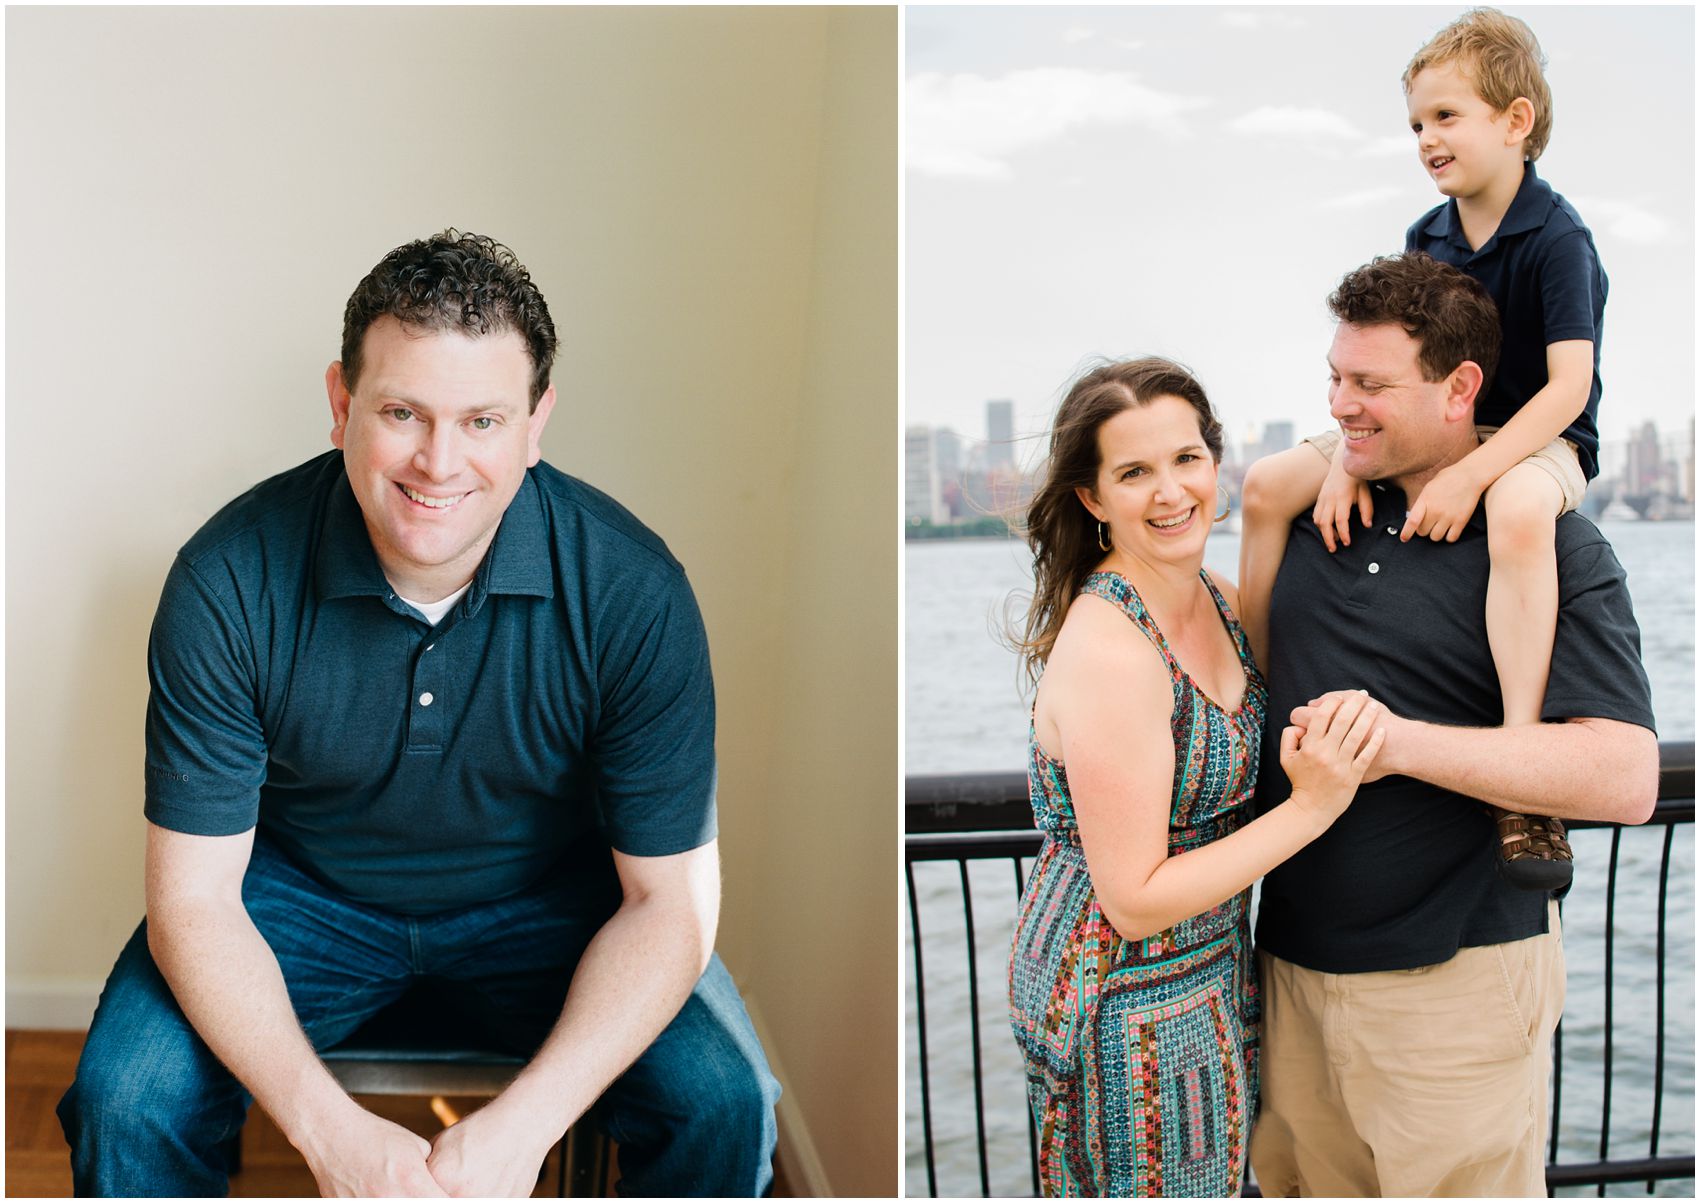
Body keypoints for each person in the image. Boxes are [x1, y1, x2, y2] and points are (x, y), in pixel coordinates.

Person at [57, 231, 780, 1198]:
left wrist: (522, 1130)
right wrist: (330, 1136)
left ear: (537, 421)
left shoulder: (633, 592)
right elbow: (192, 899)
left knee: (726, 1099)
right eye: (403, 412)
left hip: (550, 906)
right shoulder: (226, 580)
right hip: (297, 900)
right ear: (341, 404)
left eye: (483, 420)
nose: (439, 462)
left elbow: (670, 903)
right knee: (127, 1095)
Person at [1250, 252, 1657, 1198]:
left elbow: (1625, 776)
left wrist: (1393, 744)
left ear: (1460, 387)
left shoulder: (1548, 543)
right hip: (1288, 973)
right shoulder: (1311, 520)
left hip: (1459, 986)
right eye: (1335, 379)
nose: (1341, 405)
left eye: (1371, 385)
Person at [1238, 8, 1606, 891]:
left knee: (1518, 513)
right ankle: (1250, 709)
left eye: (1447, 117)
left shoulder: (1558, 239)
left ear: (1516, 121)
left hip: (1531, 439)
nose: (1426, 139)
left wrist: (1477, 471)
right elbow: (1388, 374)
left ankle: (1522, 779)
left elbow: (1568, 388)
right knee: (1260, 486)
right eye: (1416, 123)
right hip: (1435, 424)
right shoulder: (1427, 237)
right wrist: (1341, 462)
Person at [1005, 357, 1385, 1197]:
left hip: (1211, 967)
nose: (1171, 491)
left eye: (1187, 459)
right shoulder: (1113, 649)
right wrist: (1314, 809)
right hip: (1119, 996)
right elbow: (1132, 894)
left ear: (1217, 465)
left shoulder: (1217, 596)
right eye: (1134, 472)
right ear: (1094, 499)